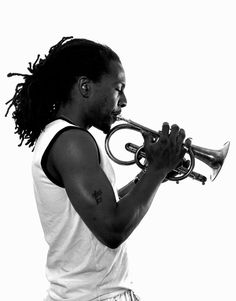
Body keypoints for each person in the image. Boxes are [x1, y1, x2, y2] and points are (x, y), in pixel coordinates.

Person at [6, 36, 188, 301]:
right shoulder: (72, 142)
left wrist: (152, 175)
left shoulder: (63, 137)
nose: (123, 100)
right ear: (85, 87)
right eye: (118, 88)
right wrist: (157, 169)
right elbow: (112, 228)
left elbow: (105, 207)